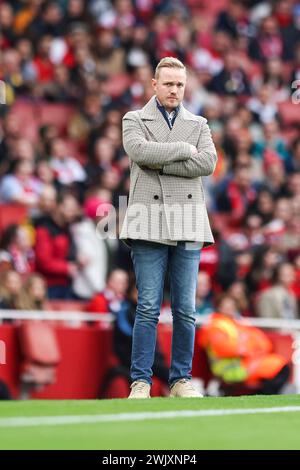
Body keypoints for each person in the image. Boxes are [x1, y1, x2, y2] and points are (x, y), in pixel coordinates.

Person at [119, 57, 217, 398]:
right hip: (147, 222)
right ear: (154, 85)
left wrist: (160, 162)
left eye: (179, 84)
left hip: (188, 223)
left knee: (186, 309)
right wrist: (182, 151)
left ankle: (180, 380)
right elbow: (138, 151)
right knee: (147, 306)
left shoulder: (199, 123)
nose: (174, 90)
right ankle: (141, 381)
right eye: (169, 83)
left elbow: (207, 163)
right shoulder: (134, 119)